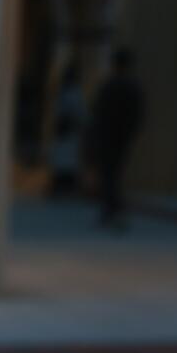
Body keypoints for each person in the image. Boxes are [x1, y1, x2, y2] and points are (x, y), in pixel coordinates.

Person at [90, 46, 145, 227]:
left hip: (108, 136)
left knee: (109, 174)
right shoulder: (132, 87)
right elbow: (138, 113)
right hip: (121, 136)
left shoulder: (110, 86)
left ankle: (112, 209)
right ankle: (114, 209)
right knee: (115, 173)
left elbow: (98, 111)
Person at [48, 59, 86, 196]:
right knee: (67, 158)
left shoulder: (64, 91)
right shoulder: (73, 91)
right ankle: (65, 187)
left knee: (64, 158)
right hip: (69, 130)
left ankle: (61, 186)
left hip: (65, 129)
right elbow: (78, 111)